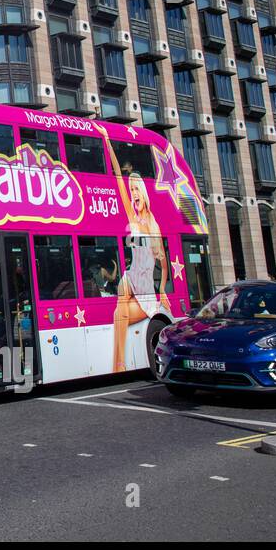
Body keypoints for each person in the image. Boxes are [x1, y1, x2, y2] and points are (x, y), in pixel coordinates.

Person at [96, 123, 169, 373]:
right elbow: (117, 179)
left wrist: (161, 289)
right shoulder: (132, 216)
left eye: (136, 189)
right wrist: (106, 142)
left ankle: (118, 364)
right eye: (131, 189)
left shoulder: (154, 225)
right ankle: (119, 363)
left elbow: (164, 261)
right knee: (119, 308)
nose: (132, 193)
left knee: (119, 313)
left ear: (145, 193)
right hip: (131, 278)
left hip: (146, 289)